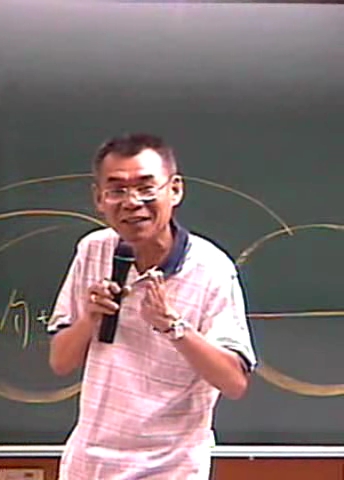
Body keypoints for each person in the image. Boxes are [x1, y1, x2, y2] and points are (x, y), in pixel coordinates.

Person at [46, 133, 257, 479]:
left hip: (171, 468)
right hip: (89, 465)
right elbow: (60, 362)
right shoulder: (93, 251)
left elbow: (235, 382)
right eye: (117, 190)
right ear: (99, 198)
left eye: (146, 188)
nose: (132, 202)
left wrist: (174, 327)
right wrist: (89, 319)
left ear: (175, 190)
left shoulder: (212, 269)